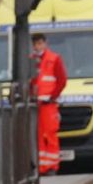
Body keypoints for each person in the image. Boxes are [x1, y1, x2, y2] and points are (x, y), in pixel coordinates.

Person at [31, 32, 67, 175]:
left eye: (40, 43)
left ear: (45, 43)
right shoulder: (31, 60)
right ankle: (41, 167)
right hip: (36, 105)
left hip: (49, 105)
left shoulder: (54, 59)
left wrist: (53, 96)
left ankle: (52, 166)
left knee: (50, 135)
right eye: (35, 44)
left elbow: (62, 80)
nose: (38, 46)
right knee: (38, 136)